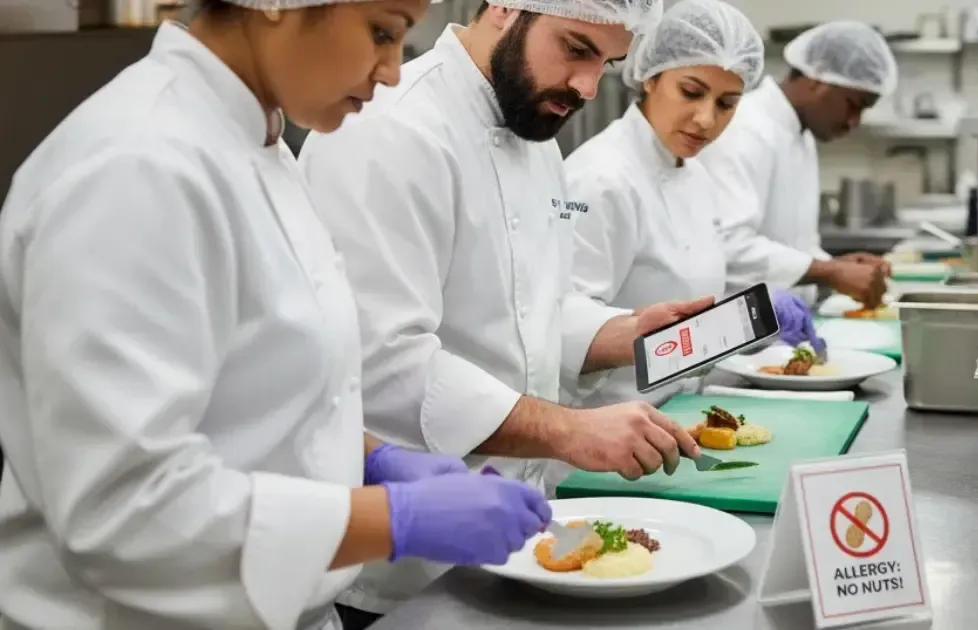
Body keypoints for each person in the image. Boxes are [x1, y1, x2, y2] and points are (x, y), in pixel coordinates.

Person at [0, 2, 554, 629]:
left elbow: (253, 396)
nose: (392, 71)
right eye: (381, 32)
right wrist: (394, 519)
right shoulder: (136, 165)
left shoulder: (257, 143)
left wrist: (368, 458)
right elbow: (124, 510)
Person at [298, 0, 707, 622]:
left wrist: (618, 333)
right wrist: (569, 431)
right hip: (400, 567)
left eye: (606, 63)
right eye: (576, 49)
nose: (587, 86)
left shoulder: (533, 131)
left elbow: (531, 306)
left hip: (518, 535)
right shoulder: (392, 130)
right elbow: (382, 360)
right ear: (506, 8)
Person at [563, 0, 826, 408]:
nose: (706, 119)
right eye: (691, 92)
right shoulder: (602, 179)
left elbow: (686, 303)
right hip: (610, 423)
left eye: (726, 103)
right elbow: (566, 331)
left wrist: (748, 320)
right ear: (650, 78)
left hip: (680, 409)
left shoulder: (695, 175)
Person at [698, 20, 899, 308]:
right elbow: (728, 247)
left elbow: (793, 246)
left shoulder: (800, 135)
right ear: (818, 77)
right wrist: (829, 272)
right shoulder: (743, 128)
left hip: (788, 322)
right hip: (740, 326)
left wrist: (837, 266)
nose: (854, 122)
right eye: (853, 105)